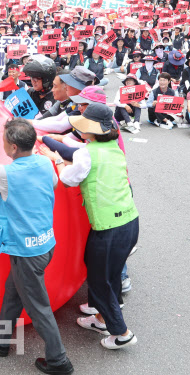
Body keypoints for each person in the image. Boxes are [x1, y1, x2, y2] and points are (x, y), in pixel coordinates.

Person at [0, 119, 73, 375]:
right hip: (44, 244)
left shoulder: (5, 174)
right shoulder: (45, 163)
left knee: (38, 307)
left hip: (26, 252)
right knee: (13, 290)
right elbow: (53, 185)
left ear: (12, 148)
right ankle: (0, 341)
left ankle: (59, 361)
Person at [53, 103, 139, 350]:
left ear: (91, 130)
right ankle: (100, 318)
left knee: (100, 281)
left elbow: (68, 180)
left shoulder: (87, 153)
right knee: (109, 274)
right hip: (130, 222)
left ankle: (121, 332)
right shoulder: (113, 148)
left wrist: (58, 163)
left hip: (108, 227)